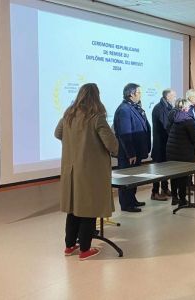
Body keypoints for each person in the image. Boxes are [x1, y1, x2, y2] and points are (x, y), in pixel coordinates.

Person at [55, 83, 118, 260]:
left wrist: (72, 142)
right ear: (96, 96)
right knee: (89, 210)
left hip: (71, 170)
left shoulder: (69, 114)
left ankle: (69, 246)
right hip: (90, 172)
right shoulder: (96, 117)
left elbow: (57, 133)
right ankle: (84, 250)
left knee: (73, 209)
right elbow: (112, 145)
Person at [113, 83, 151, 213]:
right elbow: (125, 134)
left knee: (133, 178)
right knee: (127, 179)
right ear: (131, 94)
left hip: (136, 152)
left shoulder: (134, 108)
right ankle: (126, 204)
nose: (140, 95)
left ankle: (132, 200)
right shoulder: (124, 109)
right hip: (129, 153)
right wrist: (131, 153)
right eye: (139, 92)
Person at [166, 99, 195, 207]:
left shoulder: (173, 117)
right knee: (183, 176)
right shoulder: (188, 120)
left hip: (172, 151)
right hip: (184, 152)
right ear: (185, 108)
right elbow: (194, 136)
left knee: (174, 176)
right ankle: (182, 200)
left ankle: (174, 197)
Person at [150, 88, 175, 201]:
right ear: (167, 96)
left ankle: (164, 189)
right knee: (158, 170)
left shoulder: (169, 107)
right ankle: (155, 192)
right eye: (173, 96)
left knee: (166, 168)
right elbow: (166, 125)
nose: (174, 98)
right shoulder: (159, 108)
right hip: (160, 144)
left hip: (166, 143)